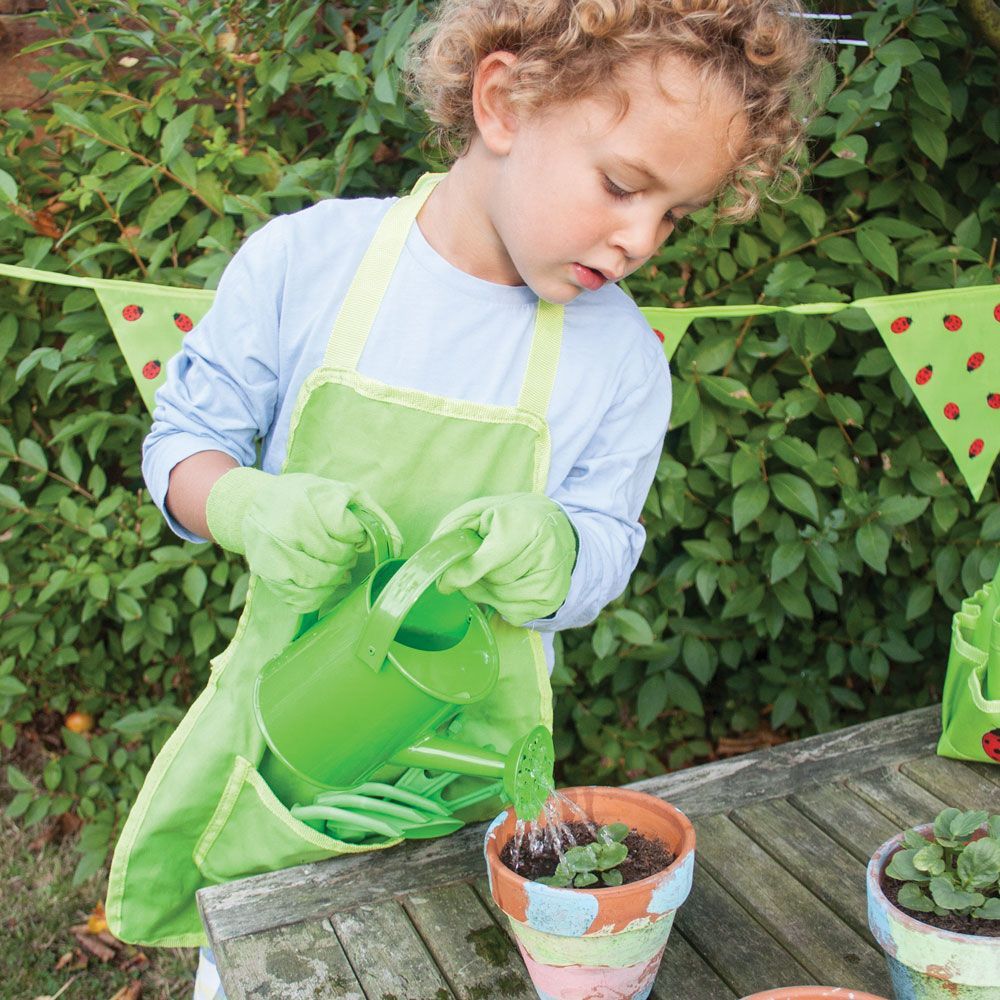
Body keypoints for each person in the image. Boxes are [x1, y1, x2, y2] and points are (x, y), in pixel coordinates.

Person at [104, 1, 817, 996]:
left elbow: (605, 545)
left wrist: (560, 552)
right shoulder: (306, 264)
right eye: (622, 185)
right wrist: (241, 505)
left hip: (475, 795)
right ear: (503, 101)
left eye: (673, 214)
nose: (641, 238)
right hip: (285, 758)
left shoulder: (620, 359)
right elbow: (184, 444)